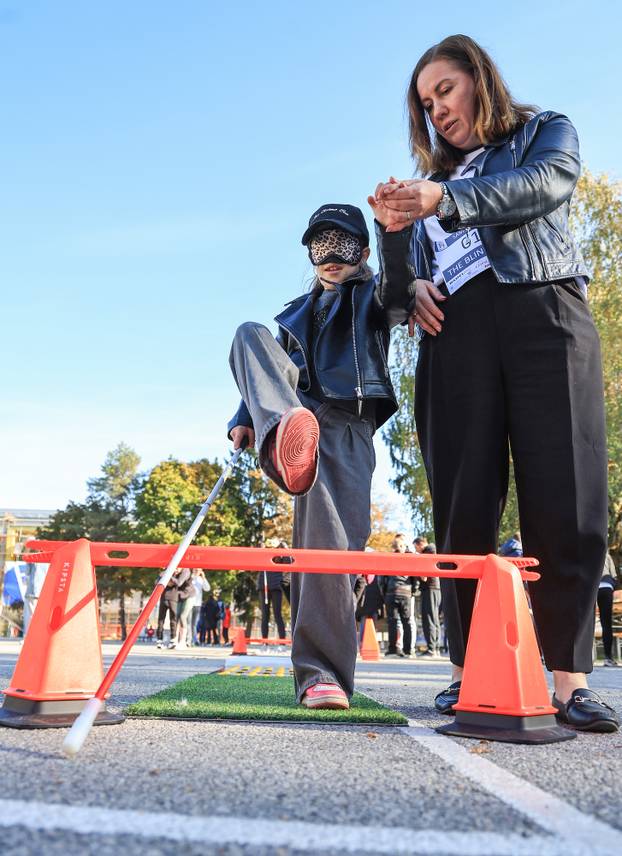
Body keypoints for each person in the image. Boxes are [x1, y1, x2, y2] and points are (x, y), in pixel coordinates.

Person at [374, 34, 618, 732]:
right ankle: (464, 671)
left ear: (480, 79)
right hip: (457, 335)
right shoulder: (425, 194)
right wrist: (401, 252)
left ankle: (569, 681)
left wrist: (442, 197)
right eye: (425, 104)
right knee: (462, 499)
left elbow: (544, 187)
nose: (437, 111)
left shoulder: (546, 132)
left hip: (545, 312)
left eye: (445, 90)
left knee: (565, 490)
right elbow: (395, 302)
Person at [227, 203, 412, 709]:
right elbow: (269, 369)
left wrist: (393, 232)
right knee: (248, 333)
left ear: (363, 252)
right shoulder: (291, 315)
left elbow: (399, 291)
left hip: (345, 426)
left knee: (328, 551)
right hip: (294, 417)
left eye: (344, 246)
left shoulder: (371, 297)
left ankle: (321, 676)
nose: (331, 257)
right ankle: (283, 438)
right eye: (320, 247)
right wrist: (244, 416)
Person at [380, 534, 416, 658]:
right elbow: (415, 576)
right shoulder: (408, 559)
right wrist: (413, 591)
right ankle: (408, 650)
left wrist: (384, 593)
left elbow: (382, 578)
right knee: (407, 622)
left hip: (391, 592)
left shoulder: (388, 559)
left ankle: (393, 649)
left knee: (392, 622)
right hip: (406, 592)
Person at [257, 537, 287, 640]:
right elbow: (256, 558)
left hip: (276, 587)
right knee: (265, 614)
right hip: (264, 586)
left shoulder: (281, 558)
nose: (271, 549)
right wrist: (260, 545)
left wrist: (284, 546)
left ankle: (282, 639)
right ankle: (264, 639)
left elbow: (289, 561)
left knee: (277, 613)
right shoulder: (263, 555)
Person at [156, 568, 190, 649]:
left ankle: (173, 640)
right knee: (161, 619)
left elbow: (178, 583)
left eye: (178, 568)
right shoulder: (164, 573)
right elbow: (157, 582)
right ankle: (159, 640)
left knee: (173, 619)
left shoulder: (180, 574)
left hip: (174, 598)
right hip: (164, 597)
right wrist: (167, 575)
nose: (176, 569)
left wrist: (169, 578)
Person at [419, 543, 441, 657]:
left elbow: (424, 576)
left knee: (429, 619)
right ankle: (435, 647)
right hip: (437, 588)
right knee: (435, 619)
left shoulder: (427, 552)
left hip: (430, 588)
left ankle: (432, 648)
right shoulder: (434, 549)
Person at [598, 553, 620, 667]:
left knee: (587, 624)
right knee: (606, 623)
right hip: (606, 587)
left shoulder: (585, 551)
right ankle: (608, 658)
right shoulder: (606, 554)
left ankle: (584, 659)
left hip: (591, 588)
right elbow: (614, 576)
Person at [188, 569, 210, 646]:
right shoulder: (190, 577)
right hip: (189, 603)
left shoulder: (201, 580)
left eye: (199, 570)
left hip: (197, 604)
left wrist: (204, 578)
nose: (197, 571)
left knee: (194, 623)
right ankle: (189, 639)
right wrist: (194, 576)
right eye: (196, 569)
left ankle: (194, 639)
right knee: (188, 622)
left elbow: (207, 588)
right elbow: (188, 584)